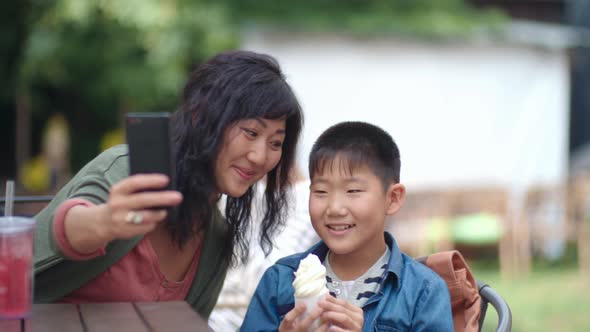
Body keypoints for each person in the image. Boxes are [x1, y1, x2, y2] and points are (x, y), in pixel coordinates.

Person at [33, 50, 304, 319]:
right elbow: (67, 228)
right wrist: (106, 220)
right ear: (203, 116)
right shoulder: (128, 172)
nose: (259, 156)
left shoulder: (216, 239)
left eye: (275, 143)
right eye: (251, 132)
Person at [241, 121, 453, 331]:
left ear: (393, 198)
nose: (334, 208)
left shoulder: (423, 291)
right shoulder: (280, 280)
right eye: (321, 192)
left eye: (352, 191)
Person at [209, 167, 319, 331]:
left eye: (276, 143)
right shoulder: (230, 185)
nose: (257, 156)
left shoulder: (310, 199)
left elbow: (261, 282)